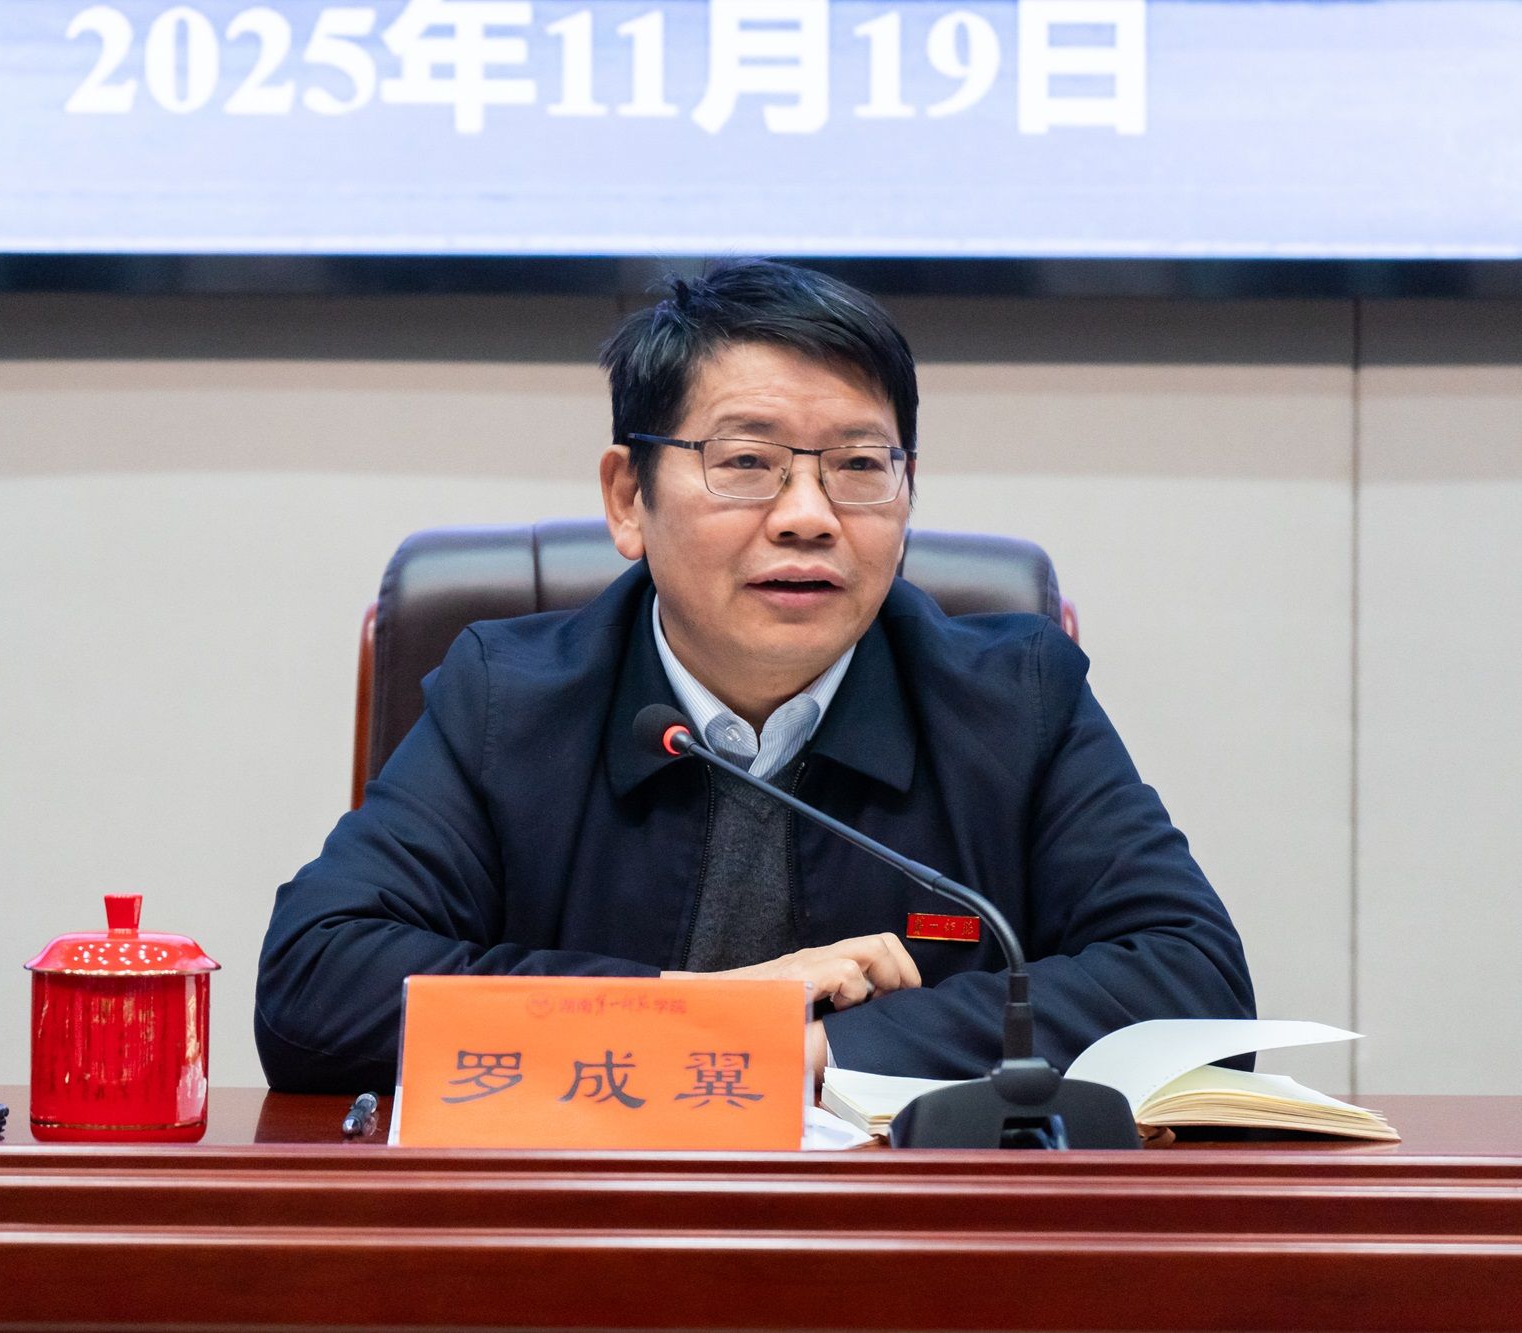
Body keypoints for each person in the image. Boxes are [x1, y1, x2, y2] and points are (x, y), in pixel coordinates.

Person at [255, 260, 1253, 1093]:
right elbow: (314, 984)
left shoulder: (1012, 701)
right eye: (746, 461)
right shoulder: (507, 701)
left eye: (858, 465)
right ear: (628, 498)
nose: (808, 515)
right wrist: (700, 1020)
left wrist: (815, 1051)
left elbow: (1194, 983)